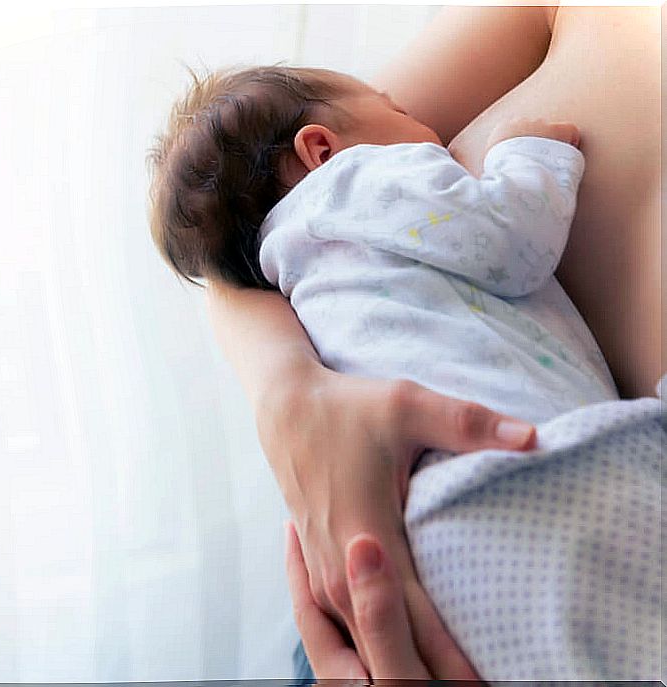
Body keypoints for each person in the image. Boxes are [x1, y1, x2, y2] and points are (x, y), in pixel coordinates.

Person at [190, 5, 660, 680]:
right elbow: (225, 251)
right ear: (319, 148)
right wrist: (289, 394)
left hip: (494, 547)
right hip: (442, 557)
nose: (431, 137)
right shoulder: (348, 159)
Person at [148, 64, 618, 429]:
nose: (419, 121)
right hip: (523, 447)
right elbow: (512, 244)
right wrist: (527, 153)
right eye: (398, 111)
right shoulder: (351, 181)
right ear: (322, 151)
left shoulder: (296, 275)